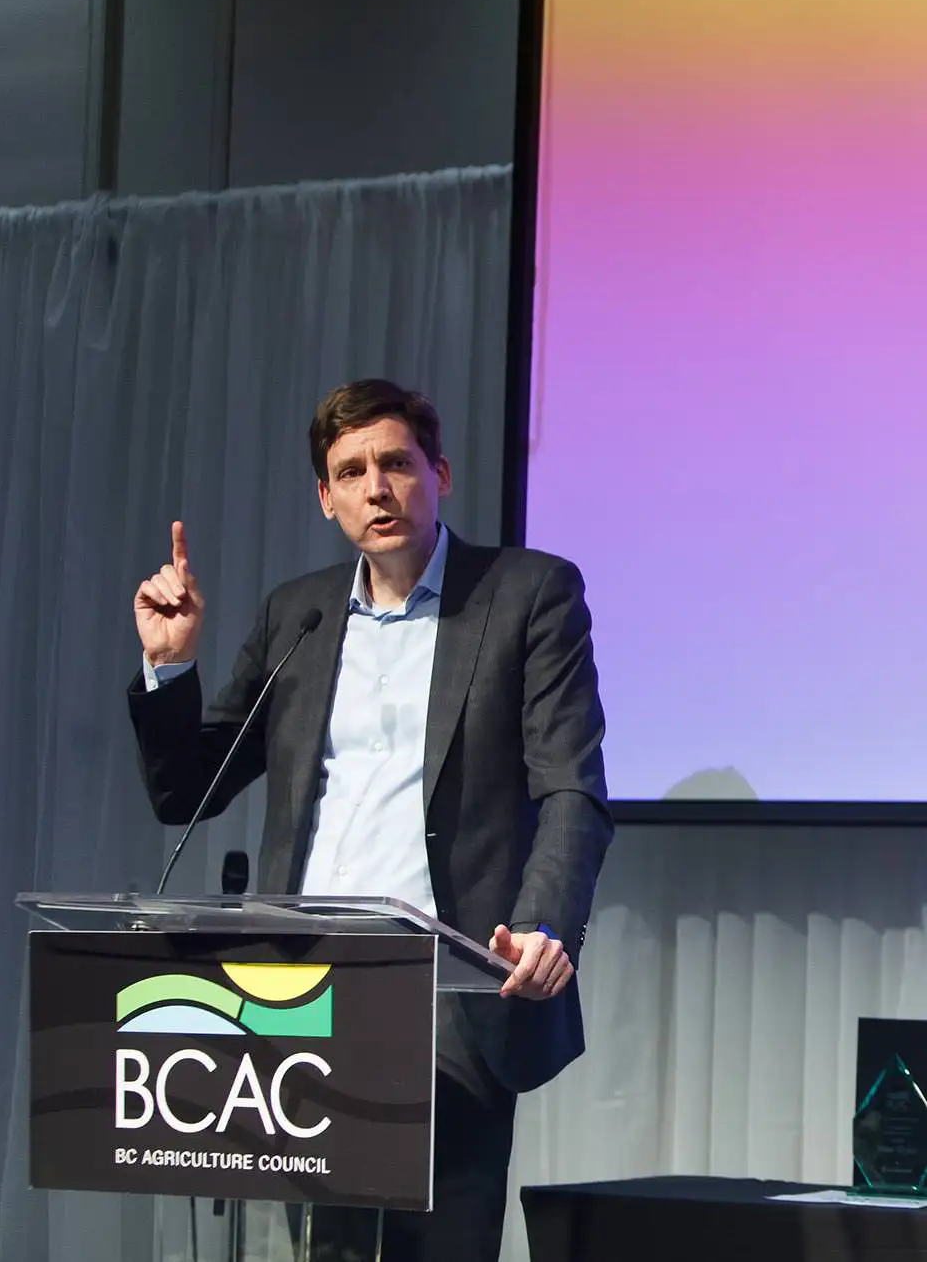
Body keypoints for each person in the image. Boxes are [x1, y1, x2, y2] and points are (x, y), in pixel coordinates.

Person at [126, 379, 614, 1262]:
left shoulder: (526, 594)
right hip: (301, 991)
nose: (377, 488)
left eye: (396, 463)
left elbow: (571, 787)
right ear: (326, 496)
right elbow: (189, 790)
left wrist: (545, 926)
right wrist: (171, 667)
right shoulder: (298, 614)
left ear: (440, 474)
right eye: (351, 472)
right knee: (329, 1247)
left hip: (450, 991)